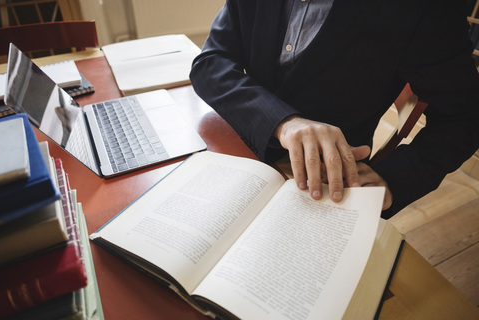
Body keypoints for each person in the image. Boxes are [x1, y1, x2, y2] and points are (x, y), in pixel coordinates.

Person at [189, 0, 479, 218]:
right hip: (231, 151)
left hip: (326, 190)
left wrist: (396, 178)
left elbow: (466, 116)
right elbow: (210, 62)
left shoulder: (425, 8)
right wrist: (283, 122)